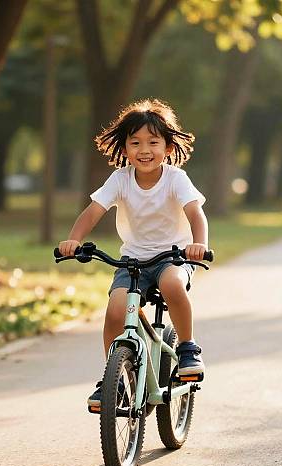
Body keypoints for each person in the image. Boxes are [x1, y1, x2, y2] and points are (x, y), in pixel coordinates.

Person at [58, 98, 209, 408]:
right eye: (135, 142)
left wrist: (199, 244)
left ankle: (187, 348)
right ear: (124, 148)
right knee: (115, 310)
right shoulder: (120, 180)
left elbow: (195, 214)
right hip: (132, 261)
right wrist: (72, 240)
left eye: (153, 142)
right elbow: (92, 212)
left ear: (167, 147)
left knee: (172, 285)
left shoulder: (175, 179)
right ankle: (112, 380)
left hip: (174, 256)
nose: (144, 149)